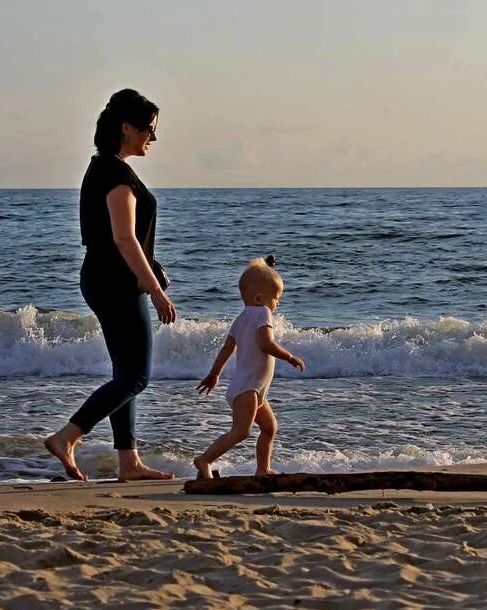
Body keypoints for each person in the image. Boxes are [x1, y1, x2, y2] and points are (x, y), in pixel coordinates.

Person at [44, 88, 176, 482]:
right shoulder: (116, 173)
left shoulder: (103, 166)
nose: (152, 138)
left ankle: (128, 462)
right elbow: (124, 238)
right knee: (136, 377)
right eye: (148, 129)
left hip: (103, 278)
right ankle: (69, 436)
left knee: (125, 373)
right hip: (116, 282)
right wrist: (155, 290)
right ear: (126, 127)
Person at [193, 256, 305, 479]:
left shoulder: (240, 319)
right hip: (248, 390)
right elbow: (266, 343)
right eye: (276, 298)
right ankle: (204, 459)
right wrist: (289, 356)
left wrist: (215, 374)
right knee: (241, 432)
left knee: (269, 427)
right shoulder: (263, 313)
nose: (277, 303)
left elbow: (227, 349)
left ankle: (263, 469)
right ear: (259, 298)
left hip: (250, 388)